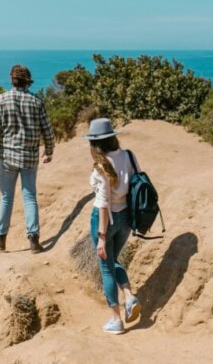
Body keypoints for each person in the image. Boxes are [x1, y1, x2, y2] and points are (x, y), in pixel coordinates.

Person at [0, 64, 54, 254]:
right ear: (27, 82)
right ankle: (34, 239)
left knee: (6, 197)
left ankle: (0, 237)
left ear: (12, 80)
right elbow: (48, 130)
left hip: (8, 158)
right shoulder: (36, 102)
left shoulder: (1, 100)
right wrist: (49, 151)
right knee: (29, 197)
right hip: (29, 157)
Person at [85, 117, 142, 335]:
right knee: (114, 260)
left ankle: (116, 321)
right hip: (126, 218)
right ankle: (129, 297)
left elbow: (102, 203)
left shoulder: (101, 166)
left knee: (106, 269)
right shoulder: (128, 156)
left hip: (106, 221)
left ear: (95, 143)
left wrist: (101, 236)